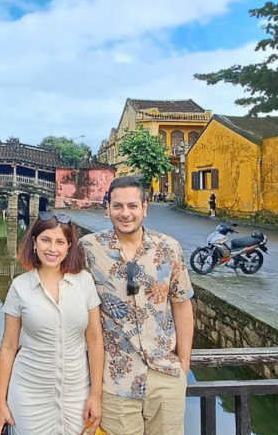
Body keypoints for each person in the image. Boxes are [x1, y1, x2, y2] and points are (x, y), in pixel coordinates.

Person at [80, 176, 194, 435]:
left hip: (164, 375)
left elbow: (182, 304)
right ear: (107, 208)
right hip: (115, 380)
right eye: (117, 206)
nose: (125, 213)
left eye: (132, 206)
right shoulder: (90, 249)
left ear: (145, 207)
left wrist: (183, 364)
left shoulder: (168, 248)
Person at [0, 211, 104, 435]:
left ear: (69, 246)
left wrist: (96, 394)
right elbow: (8, 345)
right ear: (34, 243)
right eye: (45, 240)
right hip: (29, 391)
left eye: (60, 242)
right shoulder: (20, 287)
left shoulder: (84, 282)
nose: (52, 249)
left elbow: (94, 339)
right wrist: (1, 401)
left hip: (77, 392)